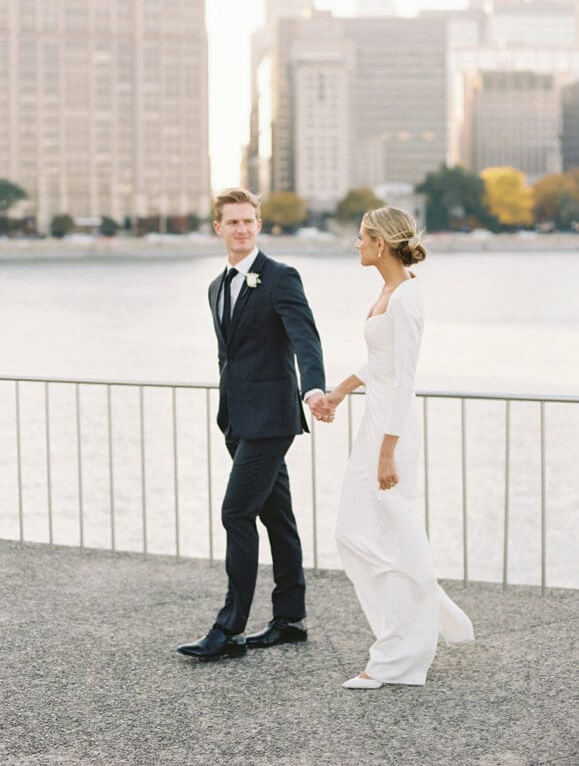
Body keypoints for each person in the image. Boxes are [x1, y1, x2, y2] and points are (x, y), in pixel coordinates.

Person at [316, 206, 474, 688]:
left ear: (380, 244)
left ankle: (399, 655)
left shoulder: (406, 297)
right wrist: (339, 392)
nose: (356, 244)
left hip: (392, 432)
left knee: (395, 535)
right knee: (353, 534)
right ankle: (425, 615)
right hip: (376, 425)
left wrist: (387, 450)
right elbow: (378, 363)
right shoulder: (387, 292)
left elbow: (404, 379)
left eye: (361, 237)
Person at [177, 188, 327, 660]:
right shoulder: (216, 287)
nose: (241, 229)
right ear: (218, 228)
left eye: (248, 221)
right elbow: (230, 357)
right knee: (276, 515)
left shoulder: (281, 277)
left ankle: (230, 629)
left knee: (235, 513)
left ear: (259, 225)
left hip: (273, 419)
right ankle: (290, 619)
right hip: (238, 420)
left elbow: (305, 337)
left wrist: (313, 388)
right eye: (233, 222)